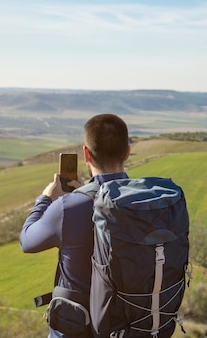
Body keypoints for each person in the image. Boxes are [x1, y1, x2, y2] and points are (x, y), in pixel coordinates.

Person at [20, 113, 131, 338]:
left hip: (78, 329)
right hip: (128, 326)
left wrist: (46, 199)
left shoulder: (67, 208)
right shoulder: (145, 203)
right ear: (127, 152)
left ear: (86, 154)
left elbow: (27, 241)